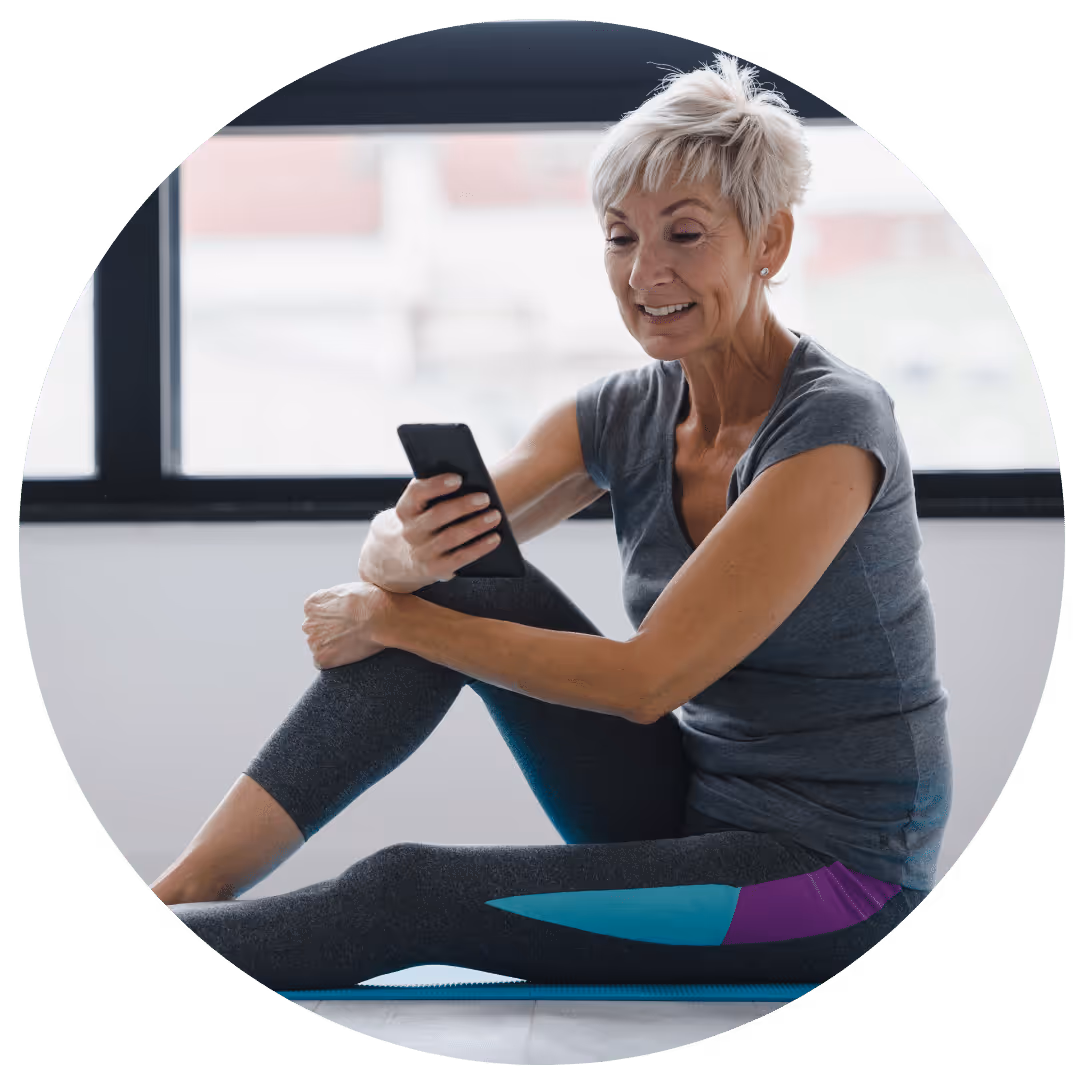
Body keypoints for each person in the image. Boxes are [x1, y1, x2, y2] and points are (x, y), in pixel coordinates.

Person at [156, 55, 951, 992]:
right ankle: (180, 893)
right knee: (461, 562)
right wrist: (394, 557)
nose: (646, 272)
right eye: (621, 238)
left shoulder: (830, 428)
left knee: (408, 891)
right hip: (685, 803)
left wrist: (394, 616)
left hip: (832, 875)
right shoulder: (625, 410)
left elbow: (649, 681)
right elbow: (426, 544)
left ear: (769, 245)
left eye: (685, 236)